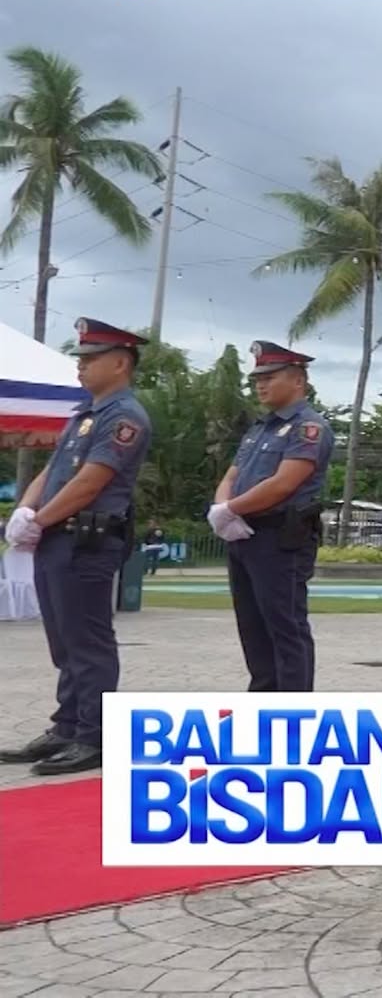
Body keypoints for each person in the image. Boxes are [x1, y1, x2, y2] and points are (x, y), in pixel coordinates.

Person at [0, 318, 154, 776]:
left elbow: (91, 481)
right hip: (56, 537)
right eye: (81, 358)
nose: (81, 366)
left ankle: (93, 735)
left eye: (91, 359)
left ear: (121, 363)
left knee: (88, 642)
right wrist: (25, 512)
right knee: (64, 641)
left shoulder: (124, 418)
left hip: (88, 539)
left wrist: (40, 519)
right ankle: (67, 725)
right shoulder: (85, 415)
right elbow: (54, 472)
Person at [212, 339, 334, 693]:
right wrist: (221, 508)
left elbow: (283, 483)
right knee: (252, 628)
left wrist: (230, 509)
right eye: (257, 378)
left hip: (280, 539)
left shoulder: (308, 427)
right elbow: (232, 476)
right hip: (243, 534)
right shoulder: (258, 428)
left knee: (285, 628)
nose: (260, 384)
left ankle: (292, 717)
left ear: (298, 380)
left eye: (270, 376)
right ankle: (262, 706)